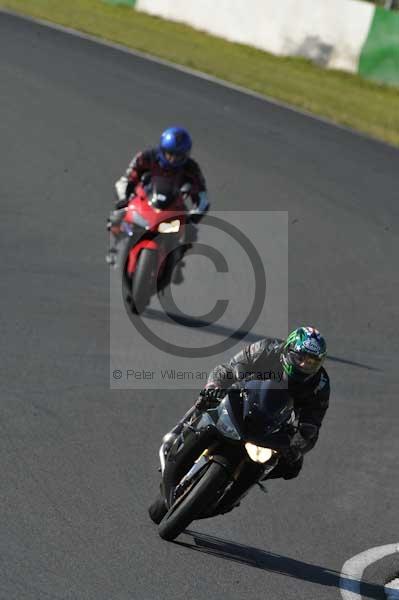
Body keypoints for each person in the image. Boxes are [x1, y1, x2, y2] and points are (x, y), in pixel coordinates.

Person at [161, 326, 330, 481]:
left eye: (311, 362)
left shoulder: (320, 384)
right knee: (214, 390)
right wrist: (215, 387)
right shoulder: (268, 348)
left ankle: (244, 483)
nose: (303, 365)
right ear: (288, 350)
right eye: (300, 357)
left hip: (273, 424)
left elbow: (312, 426)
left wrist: (296, 448)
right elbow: (231, 366)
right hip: (243, 396)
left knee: (292, 468)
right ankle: (179, 430)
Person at [107, 126, 209, 279]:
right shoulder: (146, 157)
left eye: (178, 156)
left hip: (173, 207)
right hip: (145, 200)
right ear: (162, 149)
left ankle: (176, 262)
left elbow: (202, 195)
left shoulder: (191, 168)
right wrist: (123, 199)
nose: (173, 159)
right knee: (117, 216)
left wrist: (195, 215)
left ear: (186, 155)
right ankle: (114, 249)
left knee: (190, 231)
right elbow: (126, 179)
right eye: (169, 154)